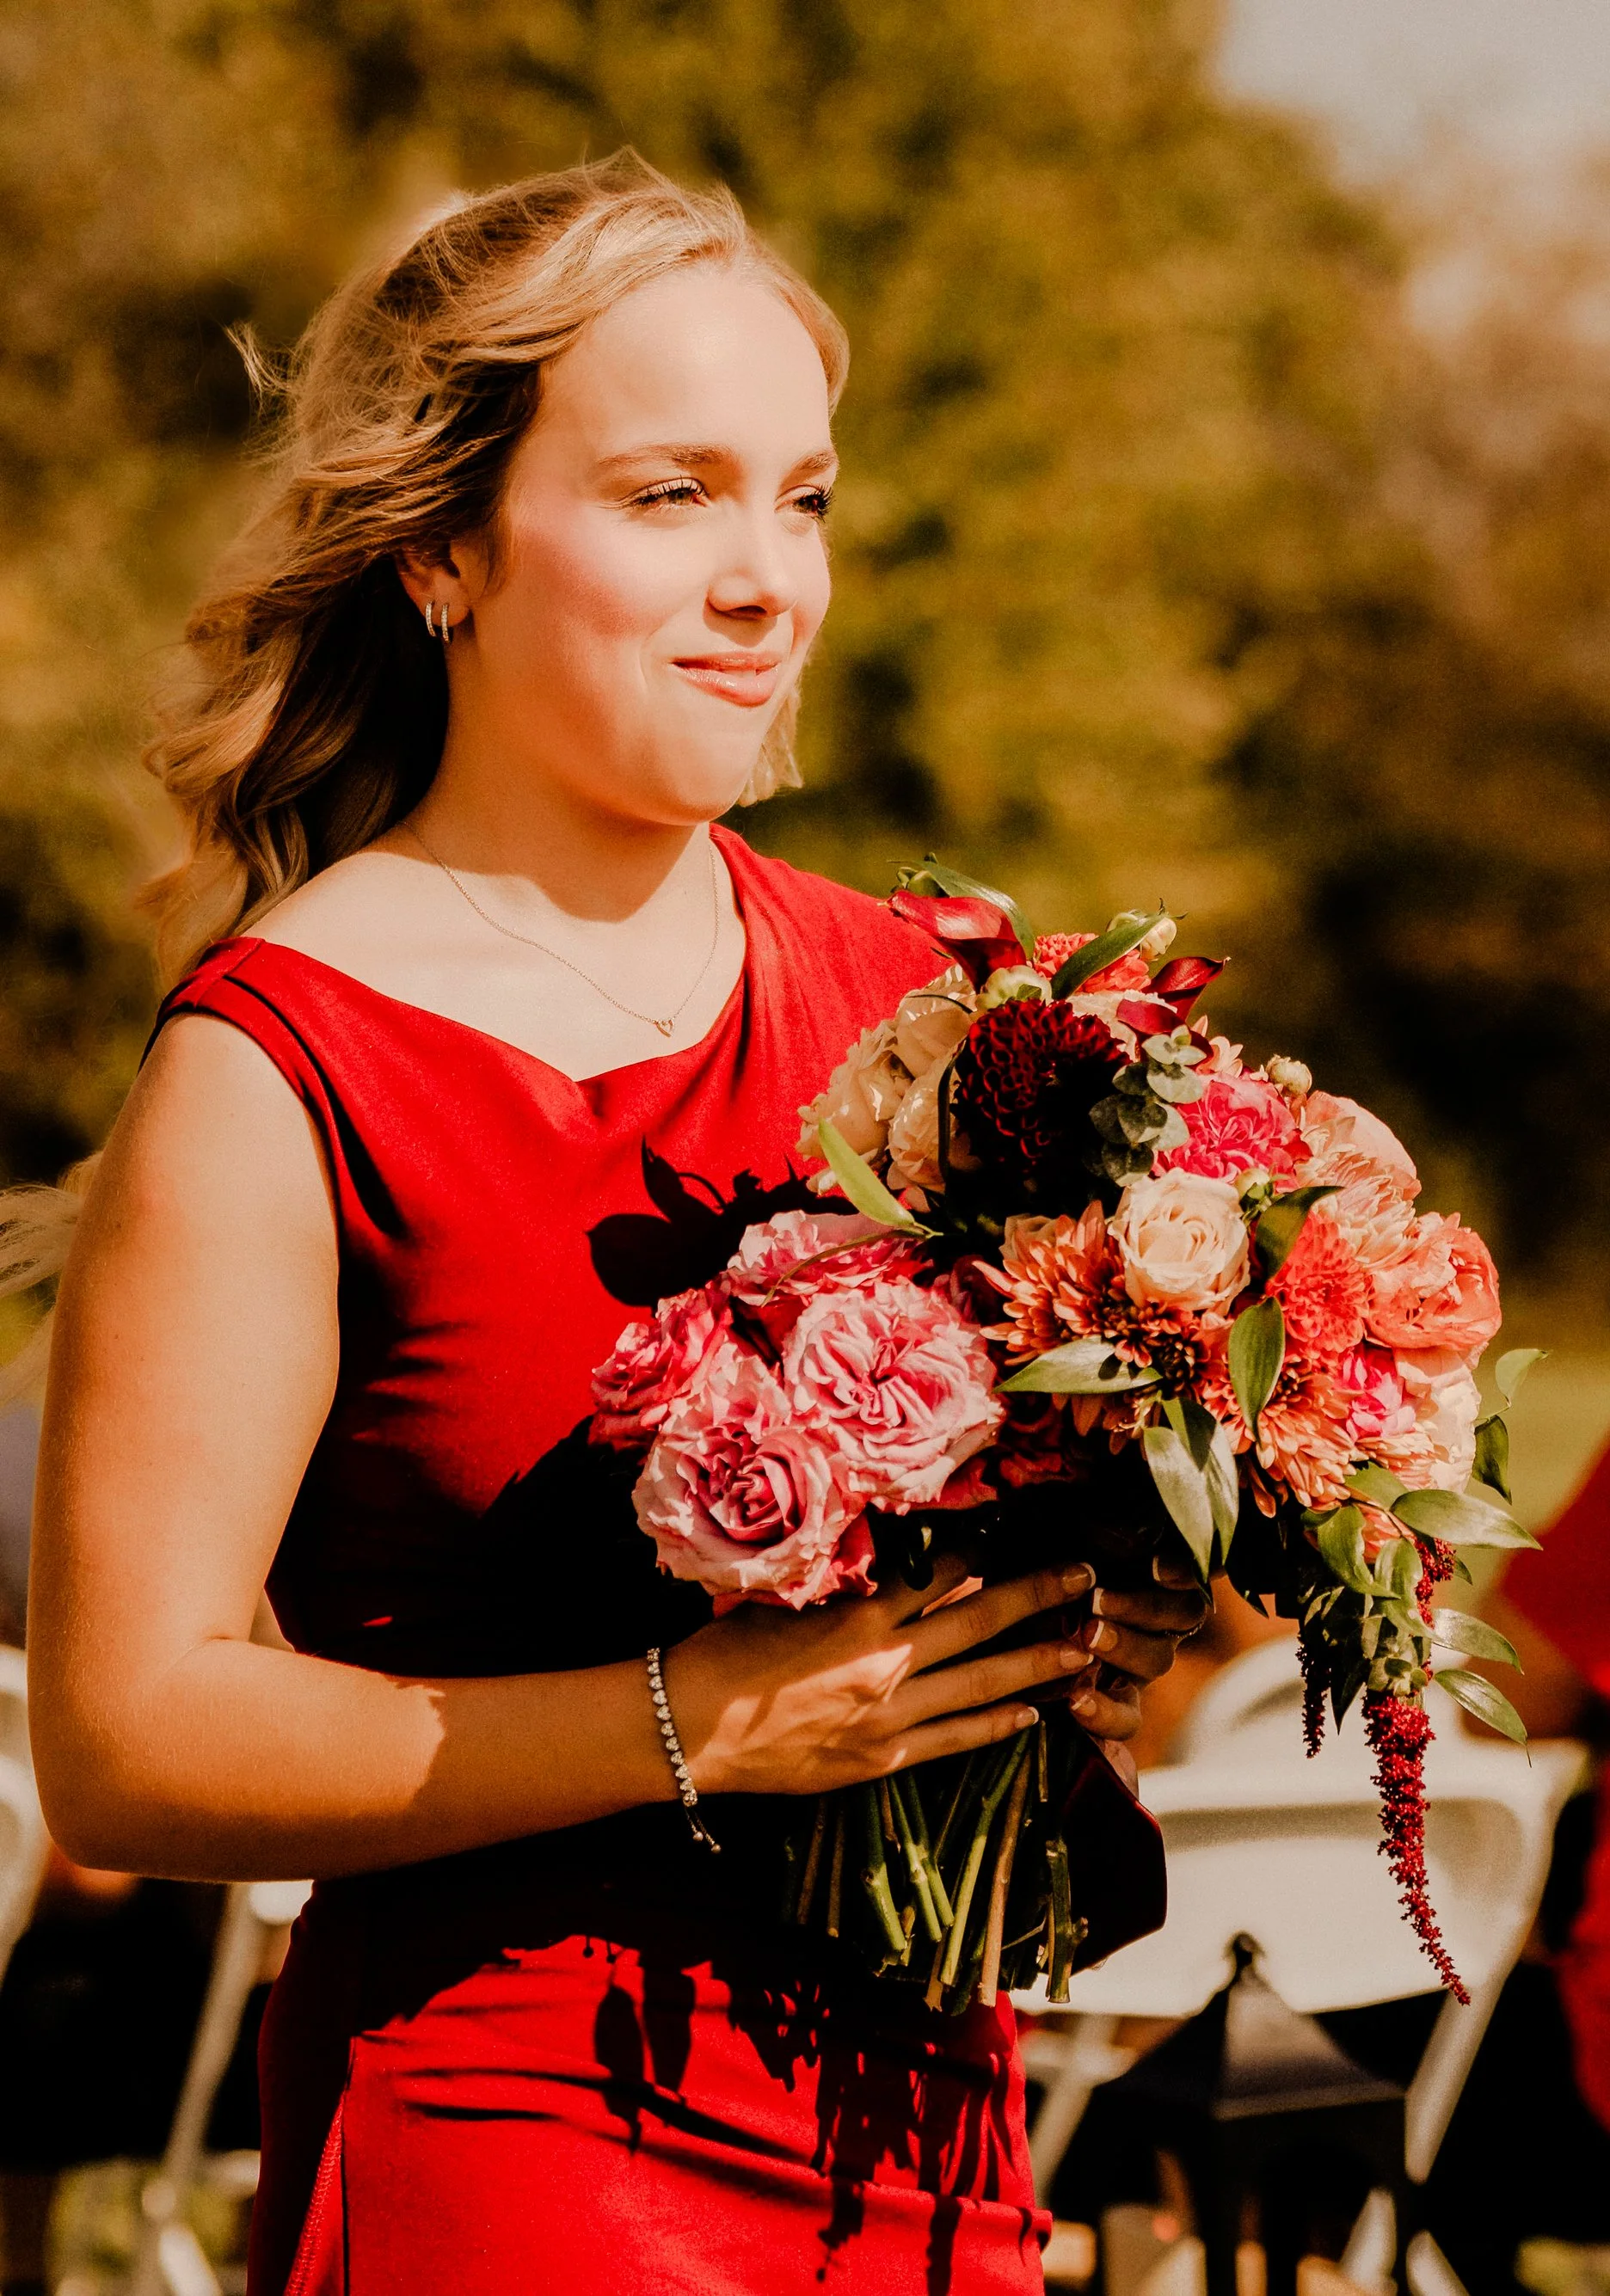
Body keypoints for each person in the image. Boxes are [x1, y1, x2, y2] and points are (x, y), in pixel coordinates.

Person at [22, 155, 1206, 2295]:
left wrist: (1098, 1620)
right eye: (674, 496)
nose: (772, 579)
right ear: (445, 548)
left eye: (806, 498)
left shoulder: (942, 1009)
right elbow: (124, 1744)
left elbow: (1081, 1600)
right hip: (515, 2143)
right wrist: (703, 1716)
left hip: (931, 2149)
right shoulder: (280, 1065)